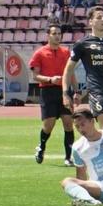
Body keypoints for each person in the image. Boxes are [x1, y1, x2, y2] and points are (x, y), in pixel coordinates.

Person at [29, 25, 76, 166]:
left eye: (59, 33)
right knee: (48, 125)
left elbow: (71, 72)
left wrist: (77, 91)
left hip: (64, 90)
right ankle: (41, 147)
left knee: (68, 123)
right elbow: (35, 76)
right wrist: (50, 79)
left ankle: (68, 157)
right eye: (54, 33)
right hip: (48, 91)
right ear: (48, 36)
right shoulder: (40, 53)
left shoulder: (66, 52)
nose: (57, 36)